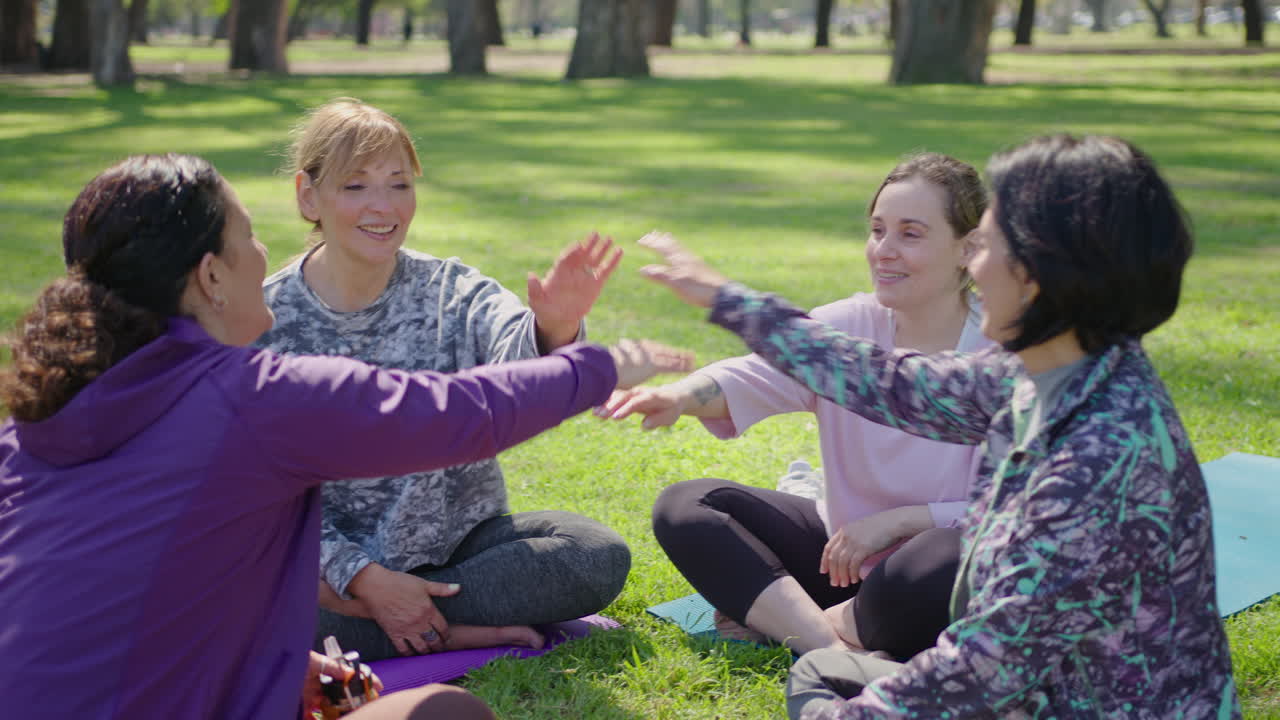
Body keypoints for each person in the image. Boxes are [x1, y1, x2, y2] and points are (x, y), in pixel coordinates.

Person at [0, 153, 681, 720]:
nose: (261, 251)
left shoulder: (32, 423)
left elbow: (132, 596)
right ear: (210, 276)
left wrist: (293, 667)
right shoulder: (252, 397)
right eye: (247, 236)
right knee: (447, 714)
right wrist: (599, 367)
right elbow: (456, 415)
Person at [634, 134, 1240, 718]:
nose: (976, 263)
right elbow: (886, 380)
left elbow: (983, 672)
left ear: (1043, 271)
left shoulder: (1097, 456)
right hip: (1039, 691)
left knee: (824, 678)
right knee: (820, 672)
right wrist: (726, 300)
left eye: (987, 244)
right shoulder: (1055, 371)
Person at [256, 98, 690, 662]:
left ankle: (410, 623)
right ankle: (444, 627)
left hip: (460, 545)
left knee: (592, 553)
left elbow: (518, 367)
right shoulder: (263, 320)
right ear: (307, 195)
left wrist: (555, 326)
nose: (383, 206)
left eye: (399, 184)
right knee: (252, 601)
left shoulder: (451, 288)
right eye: (356, 186)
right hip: (333, 575)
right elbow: (262, 497)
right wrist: (364, 578)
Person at [602, 154, 993, 659]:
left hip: (931, 573)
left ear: (968, 249)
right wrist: (678, 396)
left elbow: (1027, 513)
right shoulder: (847, 324)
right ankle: (831, 648)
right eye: (877, 231)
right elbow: (756, 373)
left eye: (910, 234)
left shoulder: (1005, 353)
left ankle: (792, 624)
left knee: (958, 554)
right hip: (840, 561)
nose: (884, 251)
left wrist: (905, 520)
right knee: (688, 505)